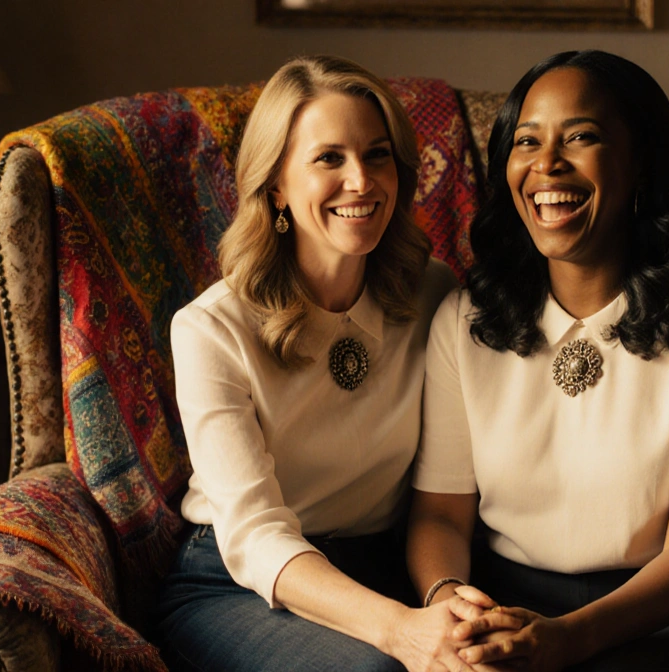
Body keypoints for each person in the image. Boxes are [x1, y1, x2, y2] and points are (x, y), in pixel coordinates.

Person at [407, 50, 669, 671]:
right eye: (527, 141)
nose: (547, 164)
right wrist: (453, 605)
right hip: (498, 602)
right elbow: (440, 514)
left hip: (660, 619)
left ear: (640, 163)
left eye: (581, 136)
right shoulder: (464, 316)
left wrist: (570, 638)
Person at [156, 55, 476, 672]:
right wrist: (400, 632)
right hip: (242, 581)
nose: (361, 181)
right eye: (329, 158)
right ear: (275, 182)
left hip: (387, 567)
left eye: (377, 154)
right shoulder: (211, 328)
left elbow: (450, 489)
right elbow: (254, 536)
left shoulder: (434, 295)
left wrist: (447, 604)